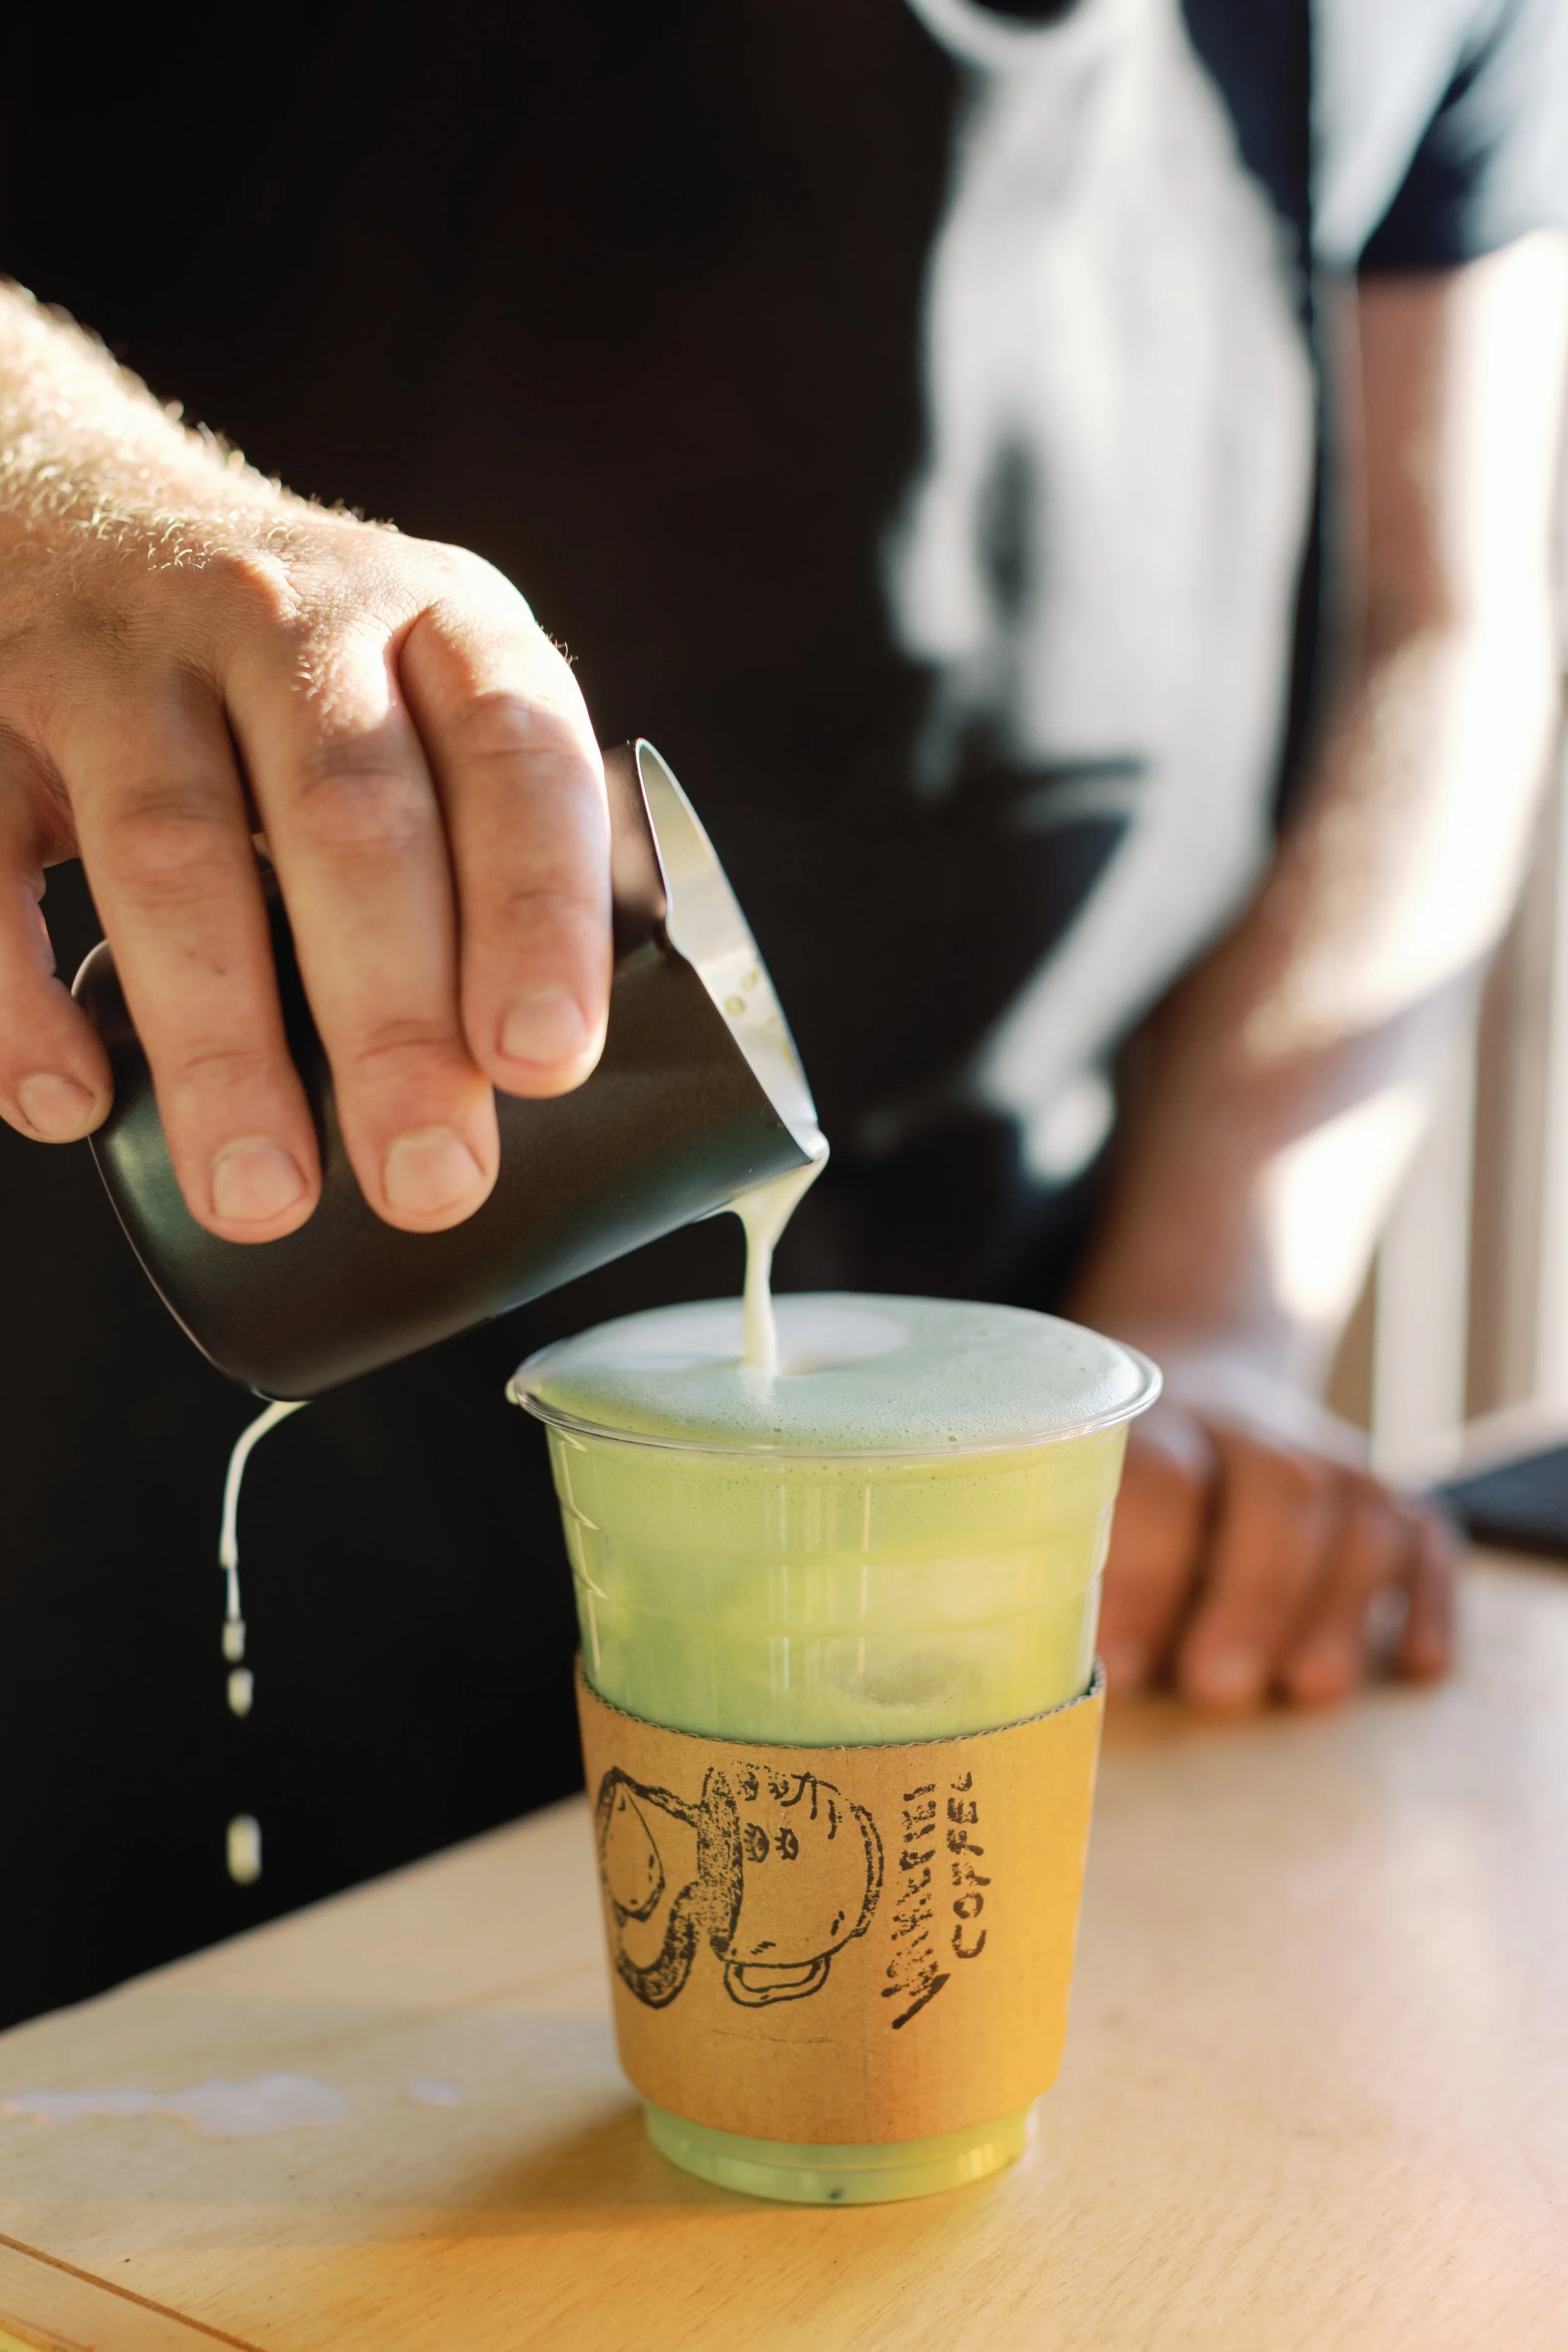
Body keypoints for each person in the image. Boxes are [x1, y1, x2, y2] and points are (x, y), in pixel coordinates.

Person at [1, 0, 1565, 2024]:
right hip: (152, 1354)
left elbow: (1434, 623)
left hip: (977, 1351)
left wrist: (1210, 1313)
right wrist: (63, 495)